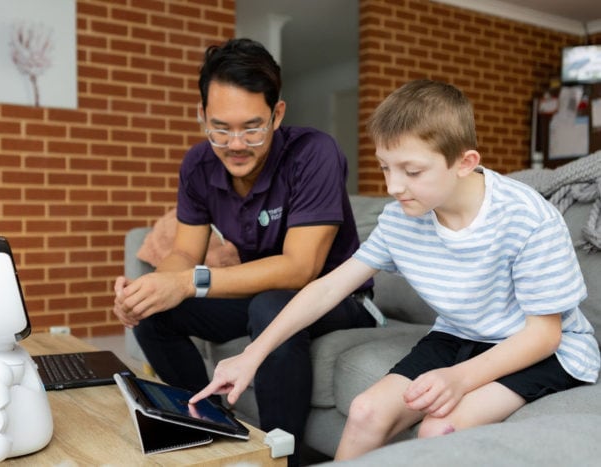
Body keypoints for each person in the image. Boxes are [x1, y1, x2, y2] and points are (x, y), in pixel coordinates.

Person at [190, 79, 601, 461]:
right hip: (461, 334)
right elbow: (328, 288)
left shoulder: (528, 217)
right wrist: (252, 354)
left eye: (412, 171)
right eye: (386, 167)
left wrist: (458, 379)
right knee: (367, 410)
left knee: (440, 428)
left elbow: (545, 334)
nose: (393, 187)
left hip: (541, 349)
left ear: (464, 162)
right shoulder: (402, 219)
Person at [113, 38, 376, 465]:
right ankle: (211, 424)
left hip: (340, 298)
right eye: (220, 127)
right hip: (262, 297)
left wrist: (188, 281)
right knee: (156, 313)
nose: (235, 144)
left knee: (271, 305)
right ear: (201, 117)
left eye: (252, 127)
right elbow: (185, 251)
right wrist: (154, 286)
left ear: (278, 114)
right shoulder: (198, 165)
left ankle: (279, 456)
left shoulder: (314, 154)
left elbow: (299, 269)